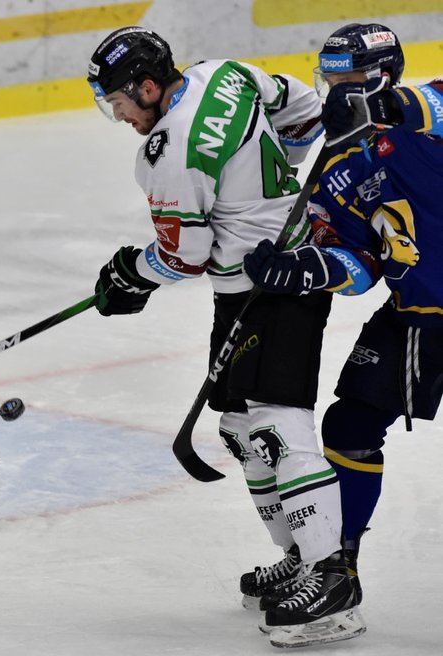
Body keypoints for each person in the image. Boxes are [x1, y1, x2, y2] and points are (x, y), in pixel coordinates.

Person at [86, 27, 362, 648]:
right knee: (239, 426)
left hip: (280, 285)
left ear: (149, 87)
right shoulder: (225, 74)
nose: (120, 114)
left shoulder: (166, 153)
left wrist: (132, 272)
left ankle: (332, 580)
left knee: (277, 425)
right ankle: (299, 557)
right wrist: (267, 186)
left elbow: (183, 255)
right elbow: (302, 110)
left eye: (120, 102)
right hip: (248, 285)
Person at [244, 21, 443, 638]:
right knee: (349, 424)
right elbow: (360, 268)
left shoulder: (425, 108)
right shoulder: (333, 164)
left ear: (382, 76)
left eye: (348, 80)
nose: (333, 91)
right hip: (420, 310)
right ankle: (334, 571)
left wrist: (385, 105)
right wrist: (301, 268)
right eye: (328, 78)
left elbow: (427, 105)